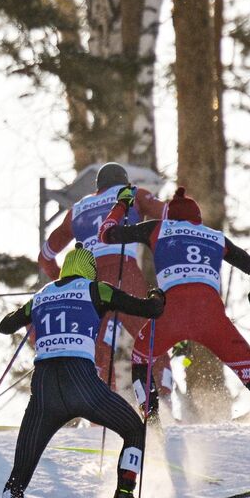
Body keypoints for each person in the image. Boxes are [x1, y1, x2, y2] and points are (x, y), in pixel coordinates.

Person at [96, 187, 250, 468]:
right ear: (197, 218)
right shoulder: (215, 236)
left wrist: (122, 205)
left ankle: (153, 427)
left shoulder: (158, 228)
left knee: (140, 359)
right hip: (211, 317)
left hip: (171, 313)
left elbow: (106, 234)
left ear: (171, 215)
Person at [0, 247, 166, 498]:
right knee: (133, 429)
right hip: (82, 384)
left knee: (19, 474)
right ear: (90, 270)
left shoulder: (43, 295)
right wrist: (159, 296)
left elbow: (6, 326)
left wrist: (31, 311)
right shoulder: (96, 288)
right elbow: (149, 309)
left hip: (44, 391)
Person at [37, 162, 171, 393]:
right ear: (124, 181)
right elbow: (171, 215)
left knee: (97, 344)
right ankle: (165, 399)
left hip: (90, 279)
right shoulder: (133, 193)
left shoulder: (77, 208)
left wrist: (63, 282)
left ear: (97, 186)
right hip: (124, 270)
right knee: (148, 333)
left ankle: (99, 410)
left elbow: (45, 256)